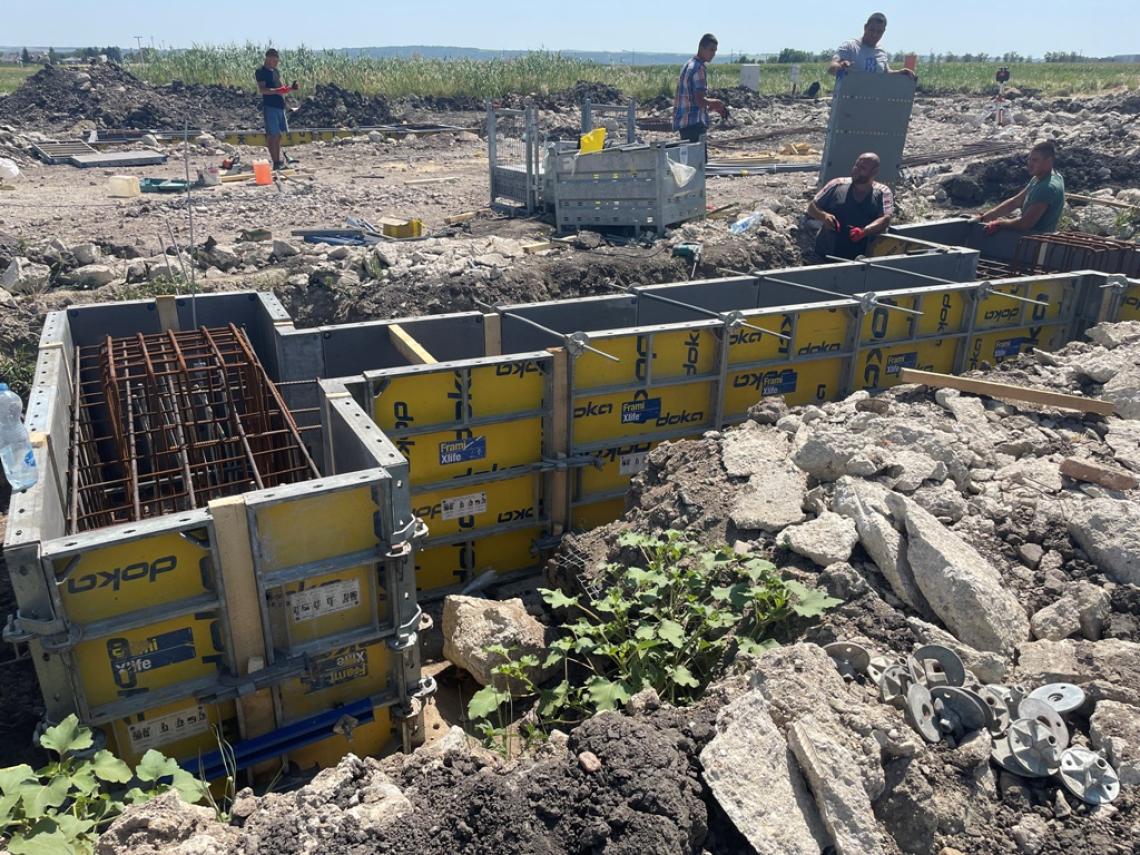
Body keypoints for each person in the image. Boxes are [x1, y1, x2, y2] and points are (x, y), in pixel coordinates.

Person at [807, 152, 894, 259]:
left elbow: (885, 219)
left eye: (862, 168)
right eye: (856, 165)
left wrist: (864, 231)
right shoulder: (836, 184)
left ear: (874, 171)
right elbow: (812, 207)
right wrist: (824, 216)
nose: (856, 169)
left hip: (861, 259)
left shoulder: (882, 192)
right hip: (826, 254)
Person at [973, 140, 1065, 235]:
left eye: (1035, 160)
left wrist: (999, 224)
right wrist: (984, 218)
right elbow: (1015, 202)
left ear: (1048, 162)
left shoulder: (1047, 187)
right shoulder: (1040, 178)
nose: (1030, 164)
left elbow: (1024, 224)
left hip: (1035, 240)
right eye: (1030, 159)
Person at [828, 12, 916, 80]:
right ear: (865, 27)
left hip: (874, 97)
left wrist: (900, 72)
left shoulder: (881, 52)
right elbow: (832, 67)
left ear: (884, 32)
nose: (874, 35)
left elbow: (885, 73)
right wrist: (839, 67)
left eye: (879, 32)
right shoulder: (850, 46)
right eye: (872, 30)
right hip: (849, 96)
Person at [673, 34, 727, 143]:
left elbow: (691, 98)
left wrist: (709, 105)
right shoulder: (699, 68)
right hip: (695, 125)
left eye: (715, 51)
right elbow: (699, 100)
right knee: (697, 154)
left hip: (684, 124)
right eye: (711, 50)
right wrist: (717, 103)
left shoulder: (688, 64)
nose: (713, 54)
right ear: (702, 48)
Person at [254, 48, 296, 170]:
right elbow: (263, 90)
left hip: (279, 106)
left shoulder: (276, 71)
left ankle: (278, 161)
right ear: (268, 58)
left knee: (278, 136)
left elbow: (281, 87)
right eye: (275, 61)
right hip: (270, 106)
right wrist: (278, 91)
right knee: (273, 135)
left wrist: (290, 88)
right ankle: (276, 163)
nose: (276, 63)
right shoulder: (261, 71)